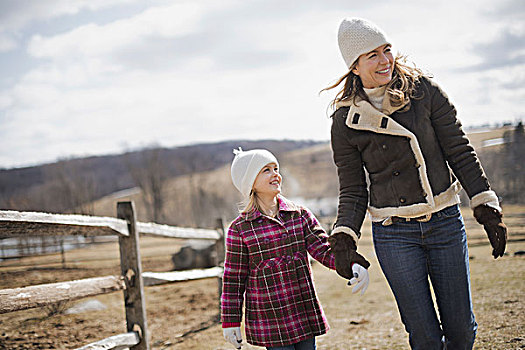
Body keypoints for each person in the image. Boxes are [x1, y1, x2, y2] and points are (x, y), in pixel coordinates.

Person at [324, 17, 508, 350]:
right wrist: (344, 236)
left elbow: (459, 150)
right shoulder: (345, 120)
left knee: (462, 331)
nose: (385, 61)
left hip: (445, 223)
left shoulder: (424, 92)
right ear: (354, 66)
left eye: (387, 50)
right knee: (423, 337)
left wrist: (484, 203)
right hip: (394, 233)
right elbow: (352, 188)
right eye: (372, 56)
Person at [221, 147, 369, 350]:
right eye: (266, 170)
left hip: (302, 309)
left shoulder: (299, 215)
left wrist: (351, 263)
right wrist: (230, 321)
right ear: (250, 182)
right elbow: (233, 279)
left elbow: (324, 250)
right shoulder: (240, 229)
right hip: (270, 319)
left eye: (276, 168)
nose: (276, 175)